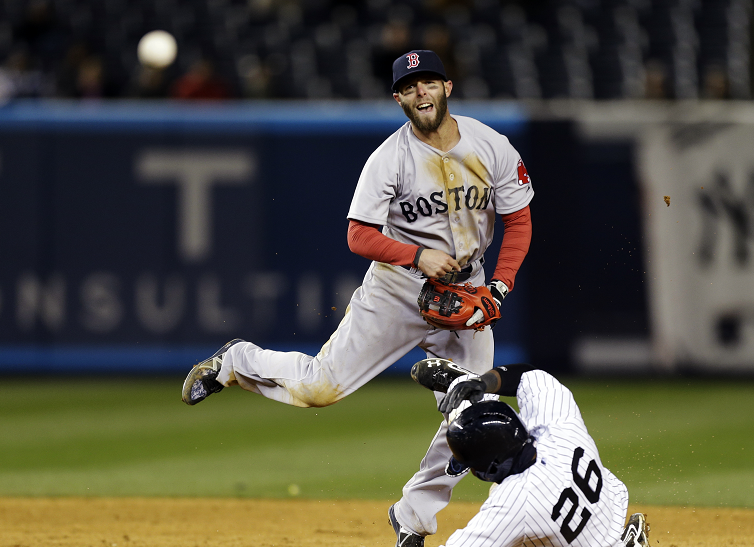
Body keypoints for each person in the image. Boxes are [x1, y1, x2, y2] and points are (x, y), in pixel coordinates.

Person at [181, 49, 534, 547]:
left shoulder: (491, 145)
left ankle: (412, 519)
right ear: (398, 98)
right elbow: (359, 235)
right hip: (397, 289)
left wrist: (498, 287)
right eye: (410, 87)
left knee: (473, 415)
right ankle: (237, 361)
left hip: (469, 289)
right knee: (320, 388)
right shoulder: (389, 158)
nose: (421, 93)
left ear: (447, 87)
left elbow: (518, 220)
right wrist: (417, 256)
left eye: (429, 82)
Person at [410, 358, 650, 547]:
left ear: (492, 466)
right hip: (609, 512)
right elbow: (527, 375)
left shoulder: (516, 502)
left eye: (473, 465)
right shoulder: (558, 424)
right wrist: (483, 383)